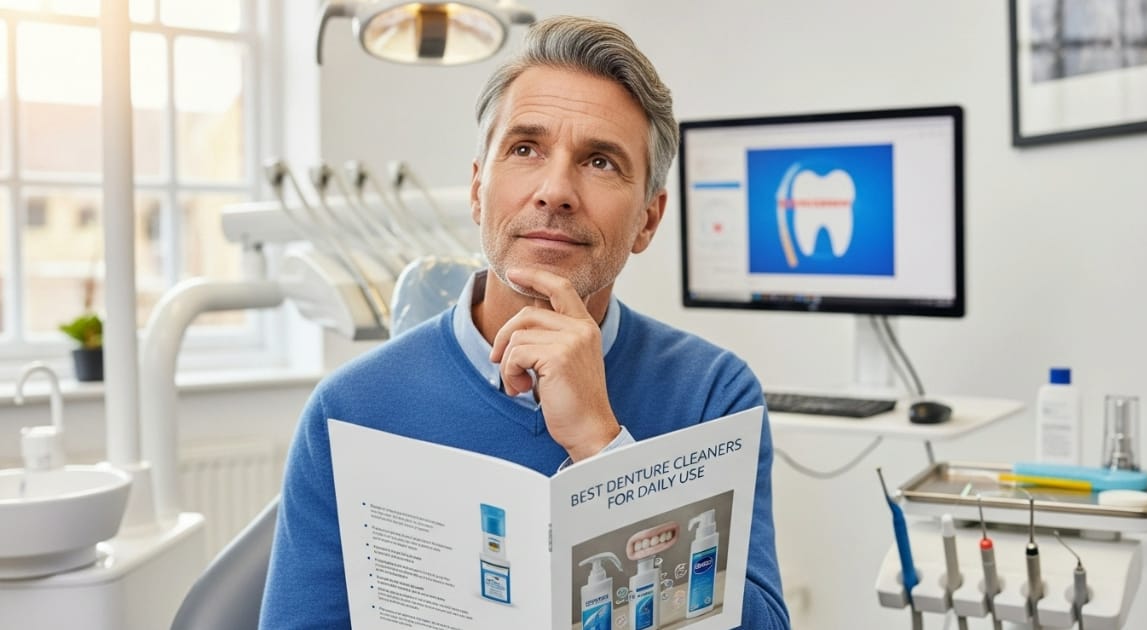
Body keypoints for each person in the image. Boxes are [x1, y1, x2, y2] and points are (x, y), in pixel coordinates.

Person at [260, 15, 790, 629]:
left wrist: (603, 449)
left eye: (599, 161)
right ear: (478, 189)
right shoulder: (350, 410)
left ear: (648, 218)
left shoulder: (714, 394)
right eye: (525, 148)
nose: (555, 189)